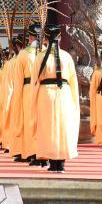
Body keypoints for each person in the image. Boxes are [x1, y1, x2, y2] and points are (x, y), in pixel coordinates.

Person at [31, 23, 79, 172]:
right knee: (63, 126)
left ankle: (53, 162)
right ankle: (61, 162)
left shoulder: (40, 57)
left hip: (45, 94)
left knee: (48, 127)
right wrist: (74, 101)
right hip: (64, 93)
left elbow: (35, 81)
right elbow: (73, 82)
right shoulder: (67, 56)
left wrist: (33, 102)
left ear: (45, 38)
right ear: (59, 37)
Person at [3, 23, 41, 163]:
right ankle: (41, 152)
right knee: (41, 121)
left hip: (27, 89)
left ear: (30, 37)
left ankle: (29, 152)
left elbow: (18, 79)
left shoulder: (24, 54)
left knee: (27, 120)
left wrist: (17, 96)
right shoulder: (46, 53)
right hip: (42, 89)